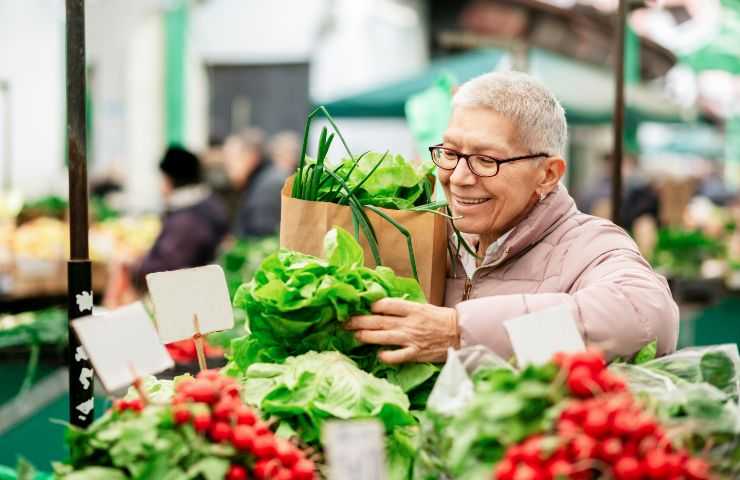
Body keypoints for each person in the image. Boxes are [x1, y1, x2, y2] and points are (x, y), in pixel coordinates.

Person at [345, 71, 679, 364]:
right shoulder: (424, 234)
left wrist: (459, 333)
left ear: (548, 174)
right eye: (449, 153)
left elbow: (648, 319)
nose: (459, 176)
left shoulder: (588, 245)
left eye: (486, 160)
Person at [128, 146, 229, 291]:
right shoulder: (209, 204)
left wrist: (136, 266)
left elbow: (165, 269)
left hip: (186, 293)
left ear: (170, 180)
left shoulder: (186, 220)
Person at [223, 129, 300, 237]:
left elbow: (263, 237)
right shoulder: (261, 181)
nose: (227, 167)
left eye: (230, 160)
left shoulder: (268, 186)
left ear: (251, 156)